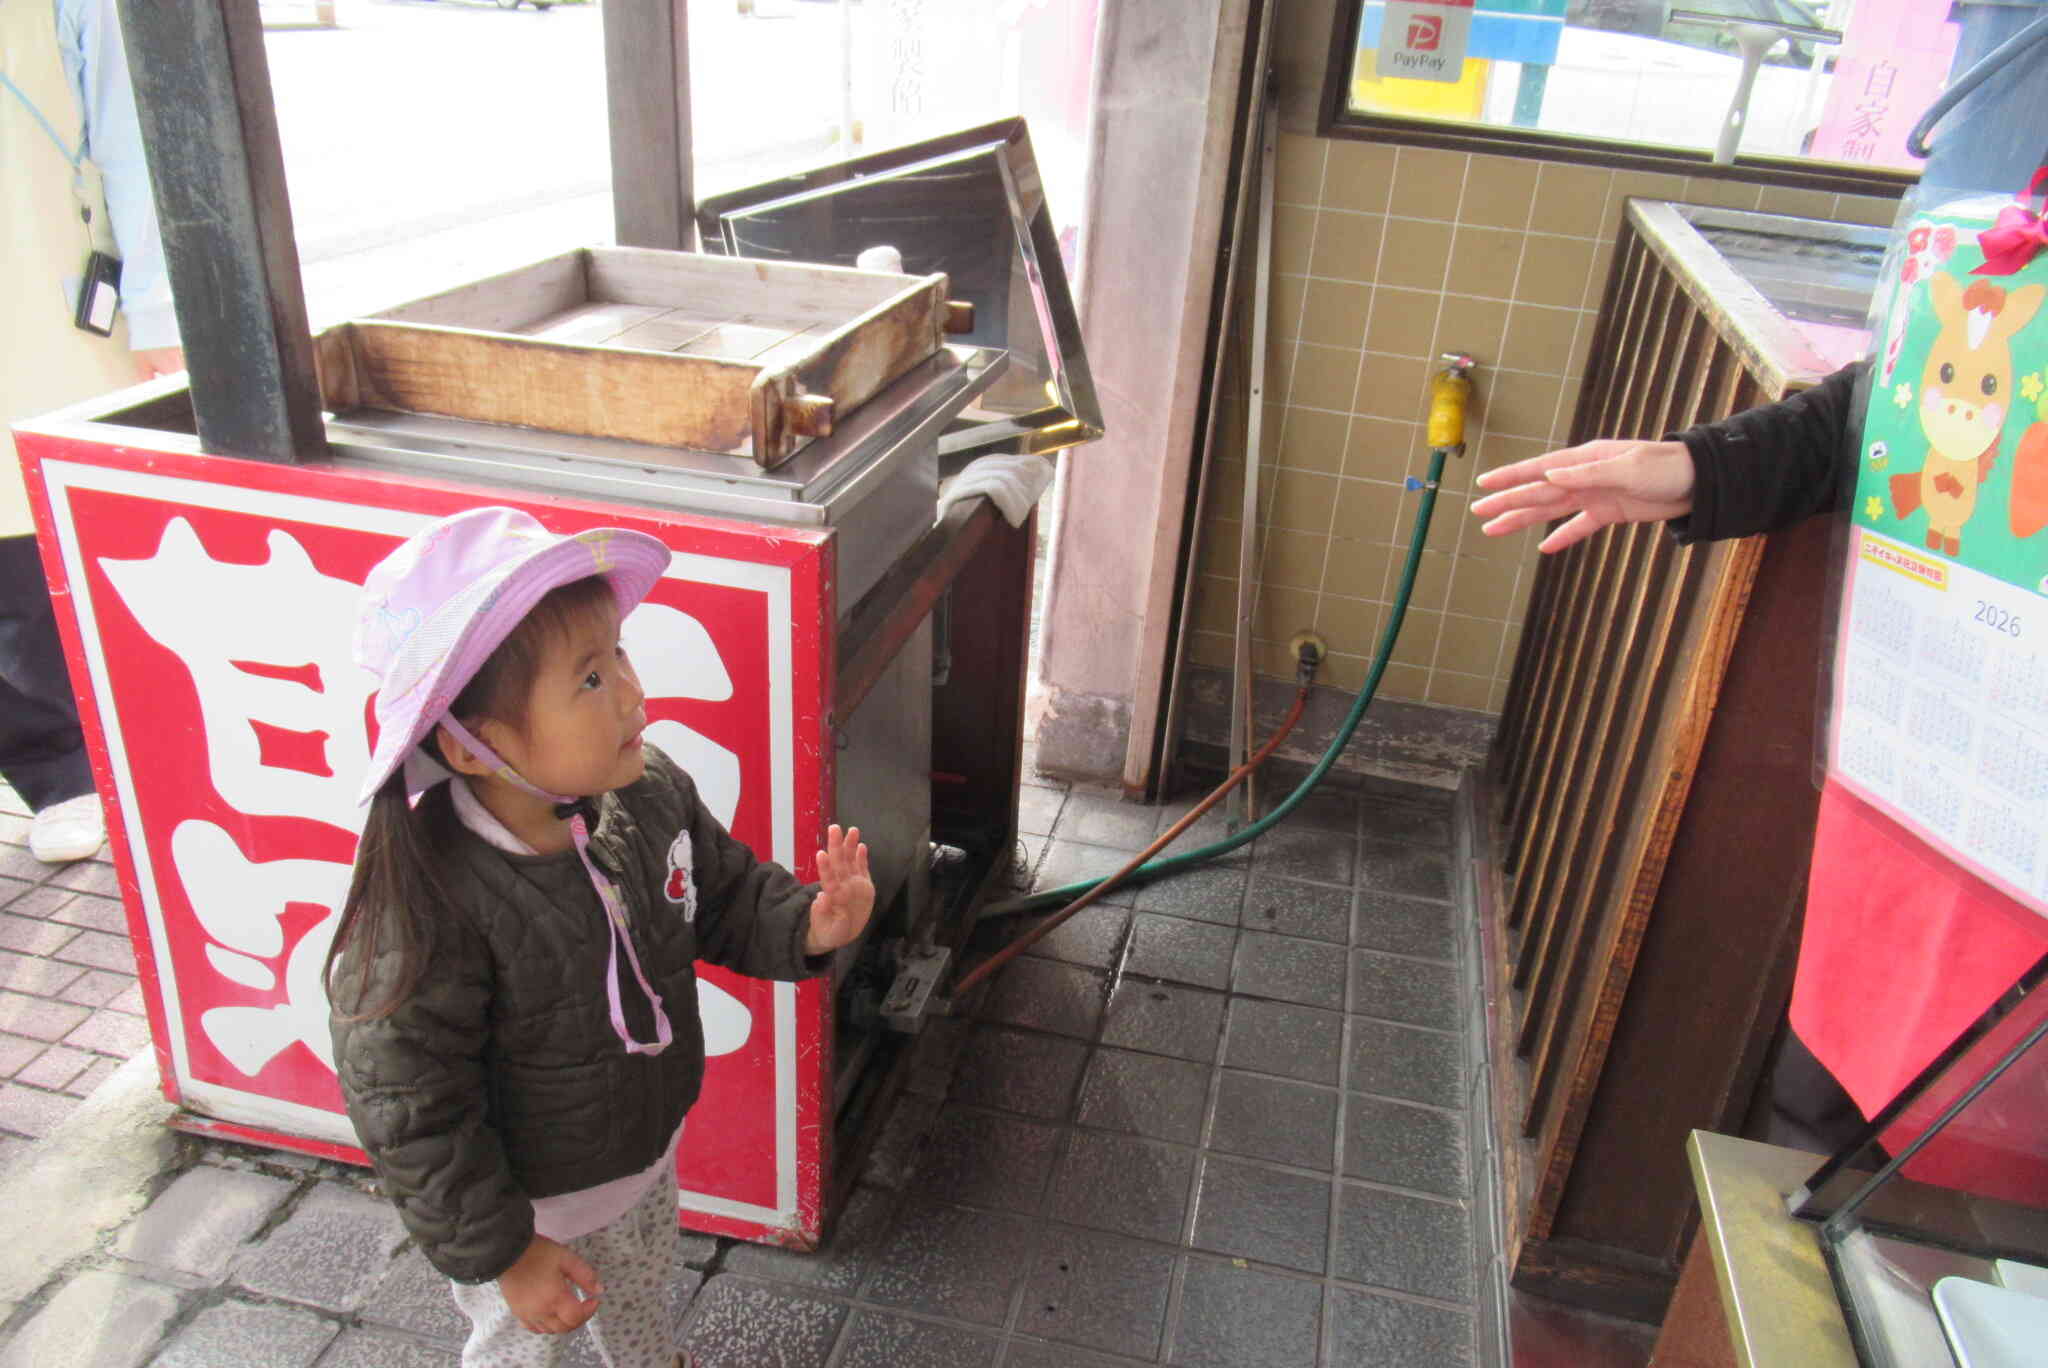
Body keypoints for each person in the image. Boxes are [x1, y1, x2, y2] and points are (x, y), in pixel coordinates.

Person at [328, 506, 875, 1368]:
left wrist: (807, 922)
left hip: (641, 1158)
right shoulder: (428, 899)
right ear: (473, 747)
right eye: (588, 679)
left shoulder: (649, 793)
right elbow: (411, 1107)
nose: (630, 692)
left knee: (641, 1291)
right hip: (526, 1209)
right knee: (525, 1349)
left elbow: (722, 890)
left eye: (616, 652)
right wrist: (506, 1255)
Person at [3, 0, 182, 863]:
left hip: (40, 301)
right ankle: (59, 765)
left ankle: (78, 764)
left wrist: (157, 307)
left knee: (36, 560)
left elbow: (133, 135)